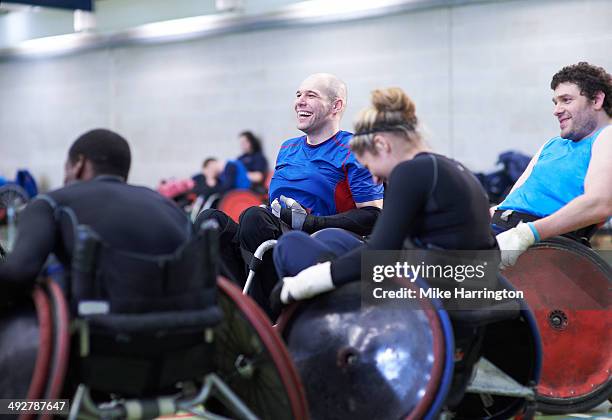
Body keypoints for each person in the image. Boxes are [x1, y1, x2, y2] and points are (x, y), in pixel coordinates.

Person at [272, 87, 498, 305]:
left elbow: (380, 255)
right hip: (473, 291)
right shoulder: (451, 167)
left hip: (433, 298)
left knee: (292, 244)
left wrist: (303, 284)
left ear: (381, 145)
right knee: (332, 238)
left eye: (370, 167)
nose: (375, 180)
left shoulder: (411, 171)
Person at [196, 73, 384, 316]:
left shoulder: (353, 149)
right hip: (268, 235)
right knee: (210, 222)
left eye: (311, 95)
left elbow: (373, 215)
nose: (299, 101)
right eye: (298, 95)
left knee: (253, 218)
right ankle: (232, 311)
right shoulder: (288, 147)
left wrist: (312, 223)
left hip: (312, 245)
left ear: (336, 106)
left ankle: (269, 317)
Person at [0, 129, 191, 304]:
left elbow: (16, 275)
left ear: (78, 165)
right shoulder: (169, 206)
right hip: (185, 330)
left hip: (96, 333)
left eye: (65, 169)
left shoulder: (50, 203)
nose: (65, 179)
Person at [493, 62, 612, 269]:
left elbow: (599, 204)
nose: (556, 110)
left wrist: (528, 234)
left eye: (566, 100)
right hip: (502, 232)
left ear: (597, 99)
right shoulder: (552, 144)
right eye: (555, 102)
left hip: (541, 244)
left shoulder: (606, 136)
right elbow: (511, 199)